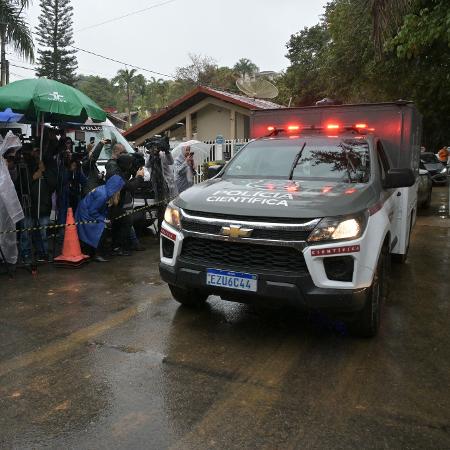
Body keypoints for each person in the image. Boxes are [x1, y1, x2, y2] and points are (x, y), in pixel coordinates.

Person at [16, 146, 57, 263]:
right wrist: (35, 175)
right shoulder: (26, 167)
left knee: (43, 233)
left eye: (39, 151)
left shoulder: (48, 167)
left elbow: (53, 185)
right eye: (35, 151)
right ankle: (25, 255)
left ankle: (43, 253)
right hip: (28, 207)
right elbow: (22, 186)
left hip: (43, 206)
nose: (37, 154)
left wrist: (44, 171)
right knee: (26, 233)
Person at [75, 174, 125, 262]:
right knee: (101, 228)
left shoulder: (105, 190)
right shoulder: (103, 195)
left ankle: (94, 252)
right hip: (86, 213)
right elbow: (93, 211)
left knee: (102, 227)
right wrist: (103, 219)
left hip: (87, 209)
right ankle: (96, 254)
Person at [106, 147, 144, 255]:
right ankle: (117, 248)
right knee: (123, 223)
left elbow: (126, 181)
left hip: (116, 202)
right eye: (129, 164)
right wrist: (139, 177)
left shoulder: (118, 169)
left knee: (120, 224)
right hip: (113, 203)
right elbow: (130, 186)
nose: (131, 166)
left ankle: (117, 247)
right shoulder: (116, 174)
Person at [0, 132, 24, 267]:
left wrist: (11, 166)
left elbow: (13, 180)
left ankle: (7, 256)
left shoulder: (10, 168)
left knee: (8, 231)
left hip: (6, 204)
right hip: (3, 202)